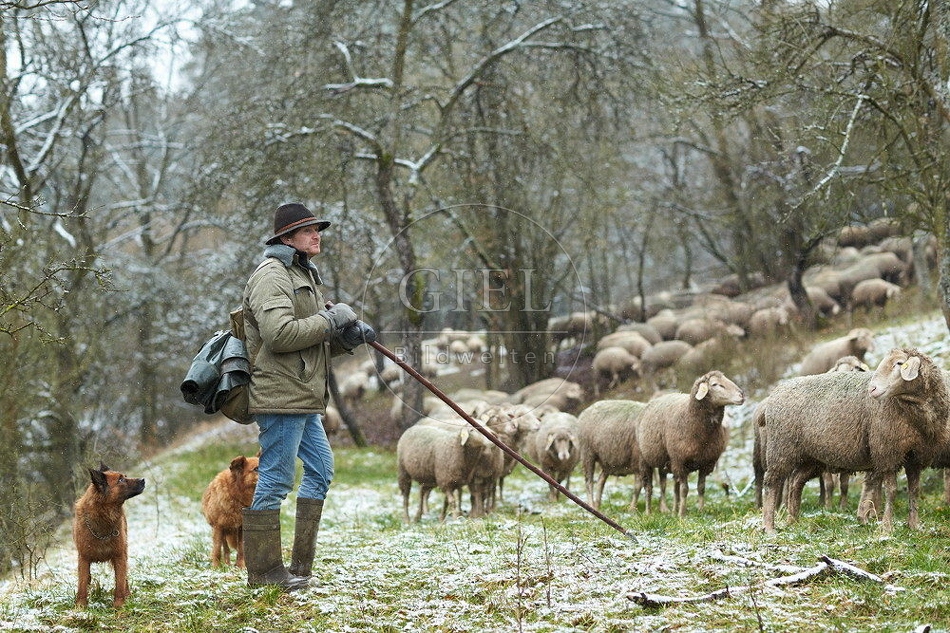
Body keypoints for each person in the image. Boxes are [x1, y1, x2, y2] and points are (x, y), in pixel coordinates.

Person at [240, 202, 376, 590]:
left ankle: (299, 568)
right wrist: (331, 320)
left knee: (321, 470)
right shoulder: (271, 276)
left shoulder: (303, 273)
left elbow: (308, 342)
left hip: (302, 395)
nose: (317, 235)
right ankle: (265, 573)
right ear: (287, 239)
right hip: (280, 395)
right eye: (308, 230)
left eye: (317, 229)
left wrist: (344, 339)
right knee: (277, 480)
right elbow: (279, 335)